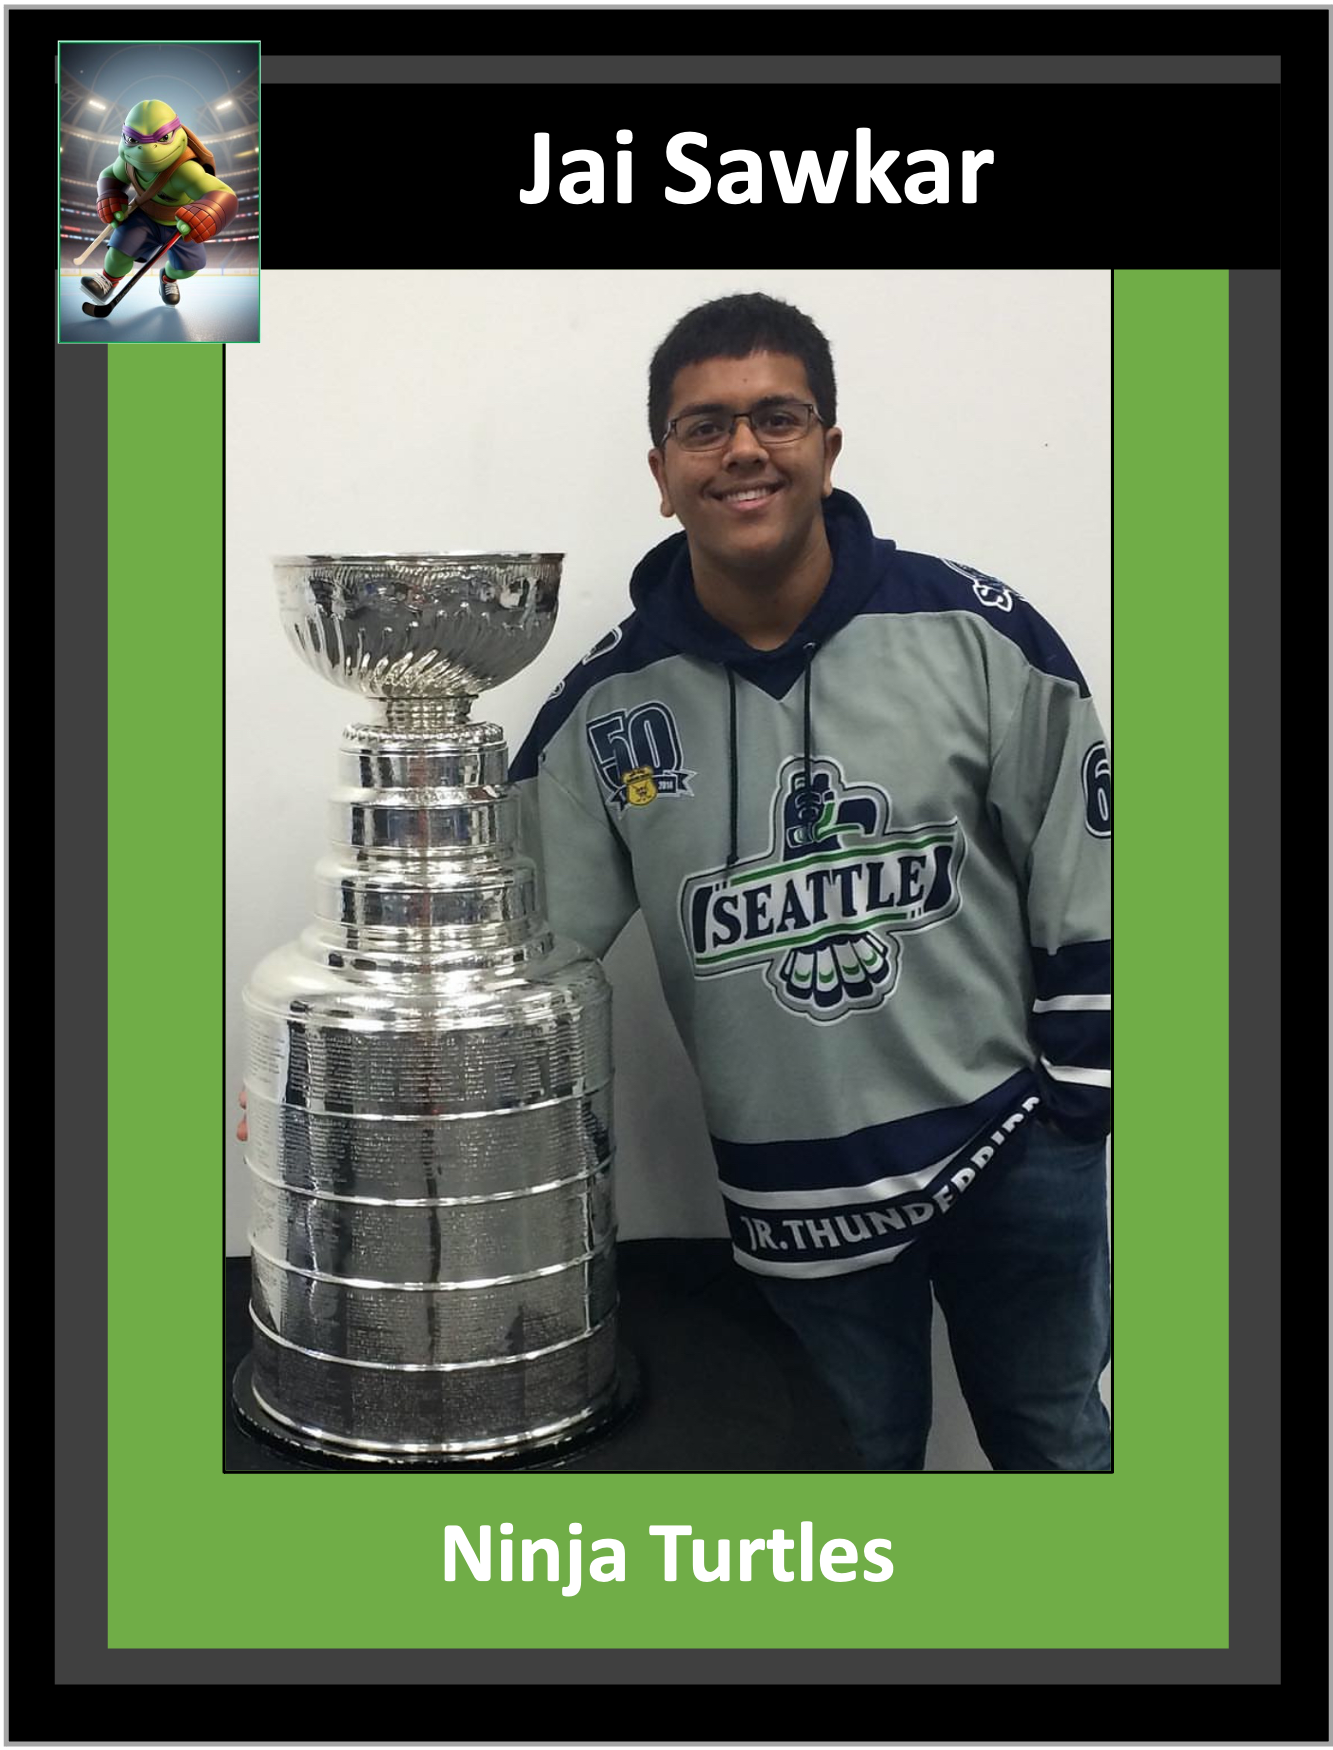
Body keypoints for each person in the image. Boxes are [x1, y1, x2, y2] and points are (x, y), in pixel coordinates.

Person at [507, 291, 1112, 1472]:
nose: (743, 448)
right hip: (797, 1206)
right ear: (661, 473)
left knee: (1059, 1459)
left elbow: (1085, 863)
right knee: (843, 1489)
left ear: (828, 447)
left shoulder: (975, 634)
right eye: (705, 427)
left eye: (776, 417)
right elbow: (526, 949)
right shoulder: (606, 710)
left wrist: (1078, 1104)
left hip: (1009, 1152)